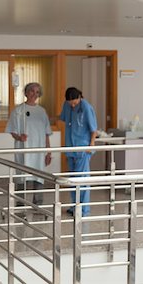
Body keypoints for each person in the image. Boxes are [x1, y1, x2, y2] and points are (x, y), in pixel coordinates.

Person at [5, 82, 52, 208]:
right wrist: (19, 137)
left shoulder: (42, 112)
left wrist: (49, 152)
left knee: (39, 176)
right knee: (22, 176)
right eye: (31, 91)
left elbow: (47, 133)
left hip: (39, 150)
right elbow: (12, 131)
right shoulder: (18, 111)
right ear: (26, 92)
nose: (34, 94)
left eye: (37, 92)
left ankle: (38, 204)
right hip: (23, 149)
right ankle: (20, 203)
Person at [59, 87, 97, 217]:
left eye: (75, 103)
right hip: (70, 147)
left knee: (82, 179)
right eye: (71, 103)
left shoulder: (86, 107)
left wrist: (91, 146)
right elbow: (63, 118)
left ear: (80, 97)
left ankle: (84, 209)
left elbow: (93, 129)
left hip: (82, 148)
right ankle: (75, 205)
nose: (73, 105)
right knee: (73, 179)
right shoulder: (67, 105)